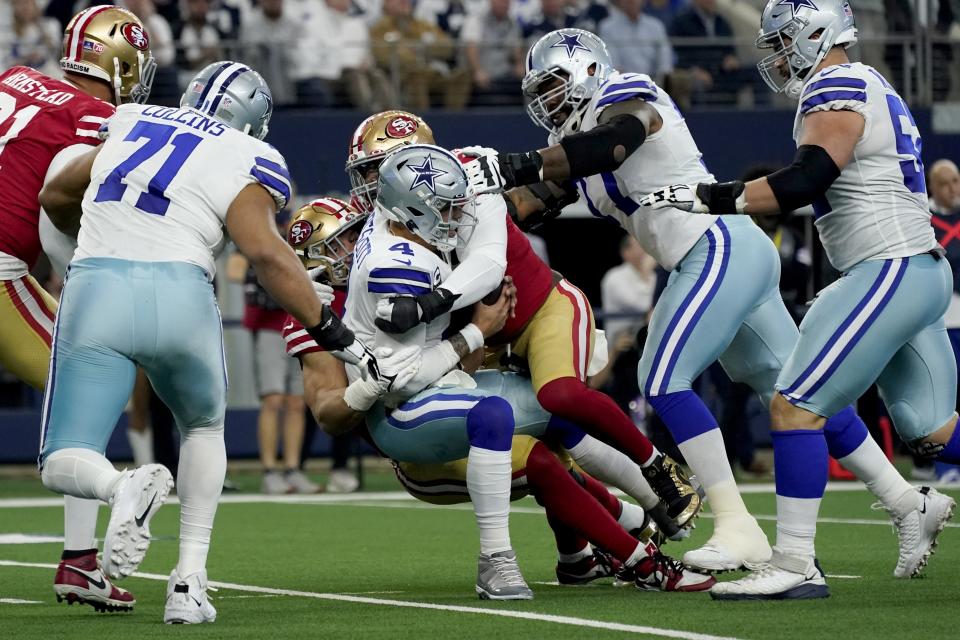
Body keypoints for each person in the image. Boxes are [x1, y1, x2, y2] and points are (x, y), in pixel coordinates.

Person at [464, 27, 942, 578]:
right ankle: (908, 501)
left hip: (715, 245)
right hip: (721, 254)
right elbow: (531, 201)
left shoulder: (625, 96)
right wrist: (464, 193)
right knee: (798, 394)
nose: (545, 100)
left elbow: (614, 142)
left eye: (552, 84)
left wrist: (517, 162)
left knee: (662, 378)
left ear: (589, 70)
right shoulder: (575, 139)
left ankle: (736, 523)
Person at [36, 60, 376, 624]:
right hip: (182, 294)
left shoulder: (131, 119)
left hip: (97, 287)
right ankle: (188, 585)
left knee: (61, 458)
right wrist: (329, 328)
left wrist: (92, 229)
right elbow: (266, 253)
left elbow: (57, 193)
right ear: (253, 122)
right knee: (202, 427)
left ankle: (119, 486)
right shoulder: (247, 154)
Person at [641, 0, 957, 599]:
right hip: (915, 267)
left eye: (784, 43)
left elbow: (804, 181)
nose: (778, 57)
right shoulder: (866, 83)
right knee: (934, 431)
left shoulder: (836, 84)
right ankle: (905, 507)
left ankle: (794, 563)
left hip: (886, 266)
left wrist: (711, 197)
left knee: (793, 407)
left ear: (816, 35)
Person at [281, 178, 715, 596]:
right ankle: (638, 556)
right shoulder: (318, 312)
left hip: (445, 390)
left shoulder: (404, 260)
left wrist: (480, 329)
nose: (353, 247)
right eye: (336, 245)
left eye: (356, 232)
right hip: (409, 437)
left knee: (558, 409)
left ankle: (634, 520)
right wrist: (373, 384)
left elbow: (460, 364)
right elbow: (329, 415)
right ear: (312, 264)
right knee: (538, 460)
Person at [359, 109, 701, 542]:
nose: (375, 183)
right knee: (549, 443)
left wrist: (432, 303)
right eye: (369, 171)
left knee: (558, 395)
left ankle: (659, 469)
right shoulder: (379, 227)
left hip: (543, 310)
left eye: (382, 168)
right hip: (487, 340)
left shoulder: (468, 172)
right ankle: (590, 549)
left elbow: (488, 263)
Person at [0, 5, 153, 613]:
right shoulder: (100, 118)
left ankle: (79, 562)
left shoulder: (12, 77)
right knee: (86, 392)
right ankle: (107, 514)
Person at [226, 218, 316, 495]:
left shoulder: (301, 239)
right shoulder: (257, 238)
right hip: (269, 328)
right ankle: (269, 470)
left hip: (299, 323)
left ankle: (293, 468)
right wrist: (269, 271)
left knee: (296, 402)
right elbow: (234, 271)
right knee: (273, 399)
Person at [600, 234, 656, 350]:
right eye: (640, 245)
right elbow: (643, 305)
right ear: (626, 252)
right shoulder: (614, 277)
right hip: (620, 346)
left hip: (647, 338)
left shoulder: (653, 276)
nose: (646, 249)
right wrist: (645, 275)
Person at [598, 0, 673, 84]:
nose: (632, 1)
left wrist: (661, 79)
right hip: (622, 85)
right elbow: (613, 63)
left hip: (654, 83)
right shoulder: (607, 27)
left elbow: (665, 58)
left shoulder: (656, 26)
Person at [3, 0, 62, 76]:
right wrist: (24, 60)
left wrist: (42, 31)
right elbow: (5, 61)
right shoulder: (7, 32)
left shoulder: (51, 24)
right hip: (20, 75)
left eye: (27, 3)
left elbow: (56, 52)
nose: (24, 7)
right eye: (19, 4)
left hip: (47, 71)